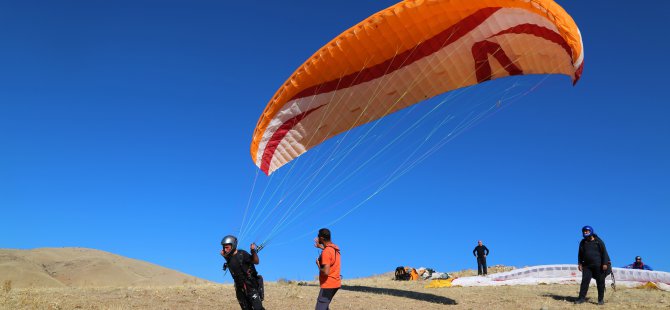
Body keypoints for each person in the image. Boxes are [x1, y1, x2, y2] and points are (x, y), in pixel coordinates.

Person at [220, 235, 264, 310]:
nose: (225, 249)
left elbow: (256, 261)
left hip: (251, 287)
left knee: (258, 308)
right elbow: (233, 262)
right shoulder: (229, 258)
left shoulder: (242, 254)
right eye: (224, 247)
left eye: (227, 247)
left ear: (233, 246)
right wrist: (224, 256)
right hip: (240, 291)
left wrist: (253, 251)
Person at [575, 226, 610, 306]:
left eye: (587, 231)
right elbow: (580, 254)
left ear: (591, 231)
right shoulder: (583, 242)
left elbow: (604, 252)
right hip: (587, 266)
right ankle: (581, 298)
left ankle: (600, 300)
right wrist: (580, 263)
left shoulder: (598, 241)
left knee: (600, 282)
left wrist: (605, 263)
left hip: (599, 265)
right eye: (584, 231)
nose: (585, 232)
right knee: (584, 282)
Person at [314, 228, 341, 310]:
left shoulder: (327, 252)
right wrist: (321, 247)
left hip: (328, 285)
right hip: (335, 283)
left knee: (320, 308)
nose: (317, 238)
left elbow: (326, 272)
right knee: (324, 307)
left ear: (322, 238)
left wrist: (318, 265)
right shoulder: (335, 250)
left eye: (318, 236)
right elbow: (330, 254)